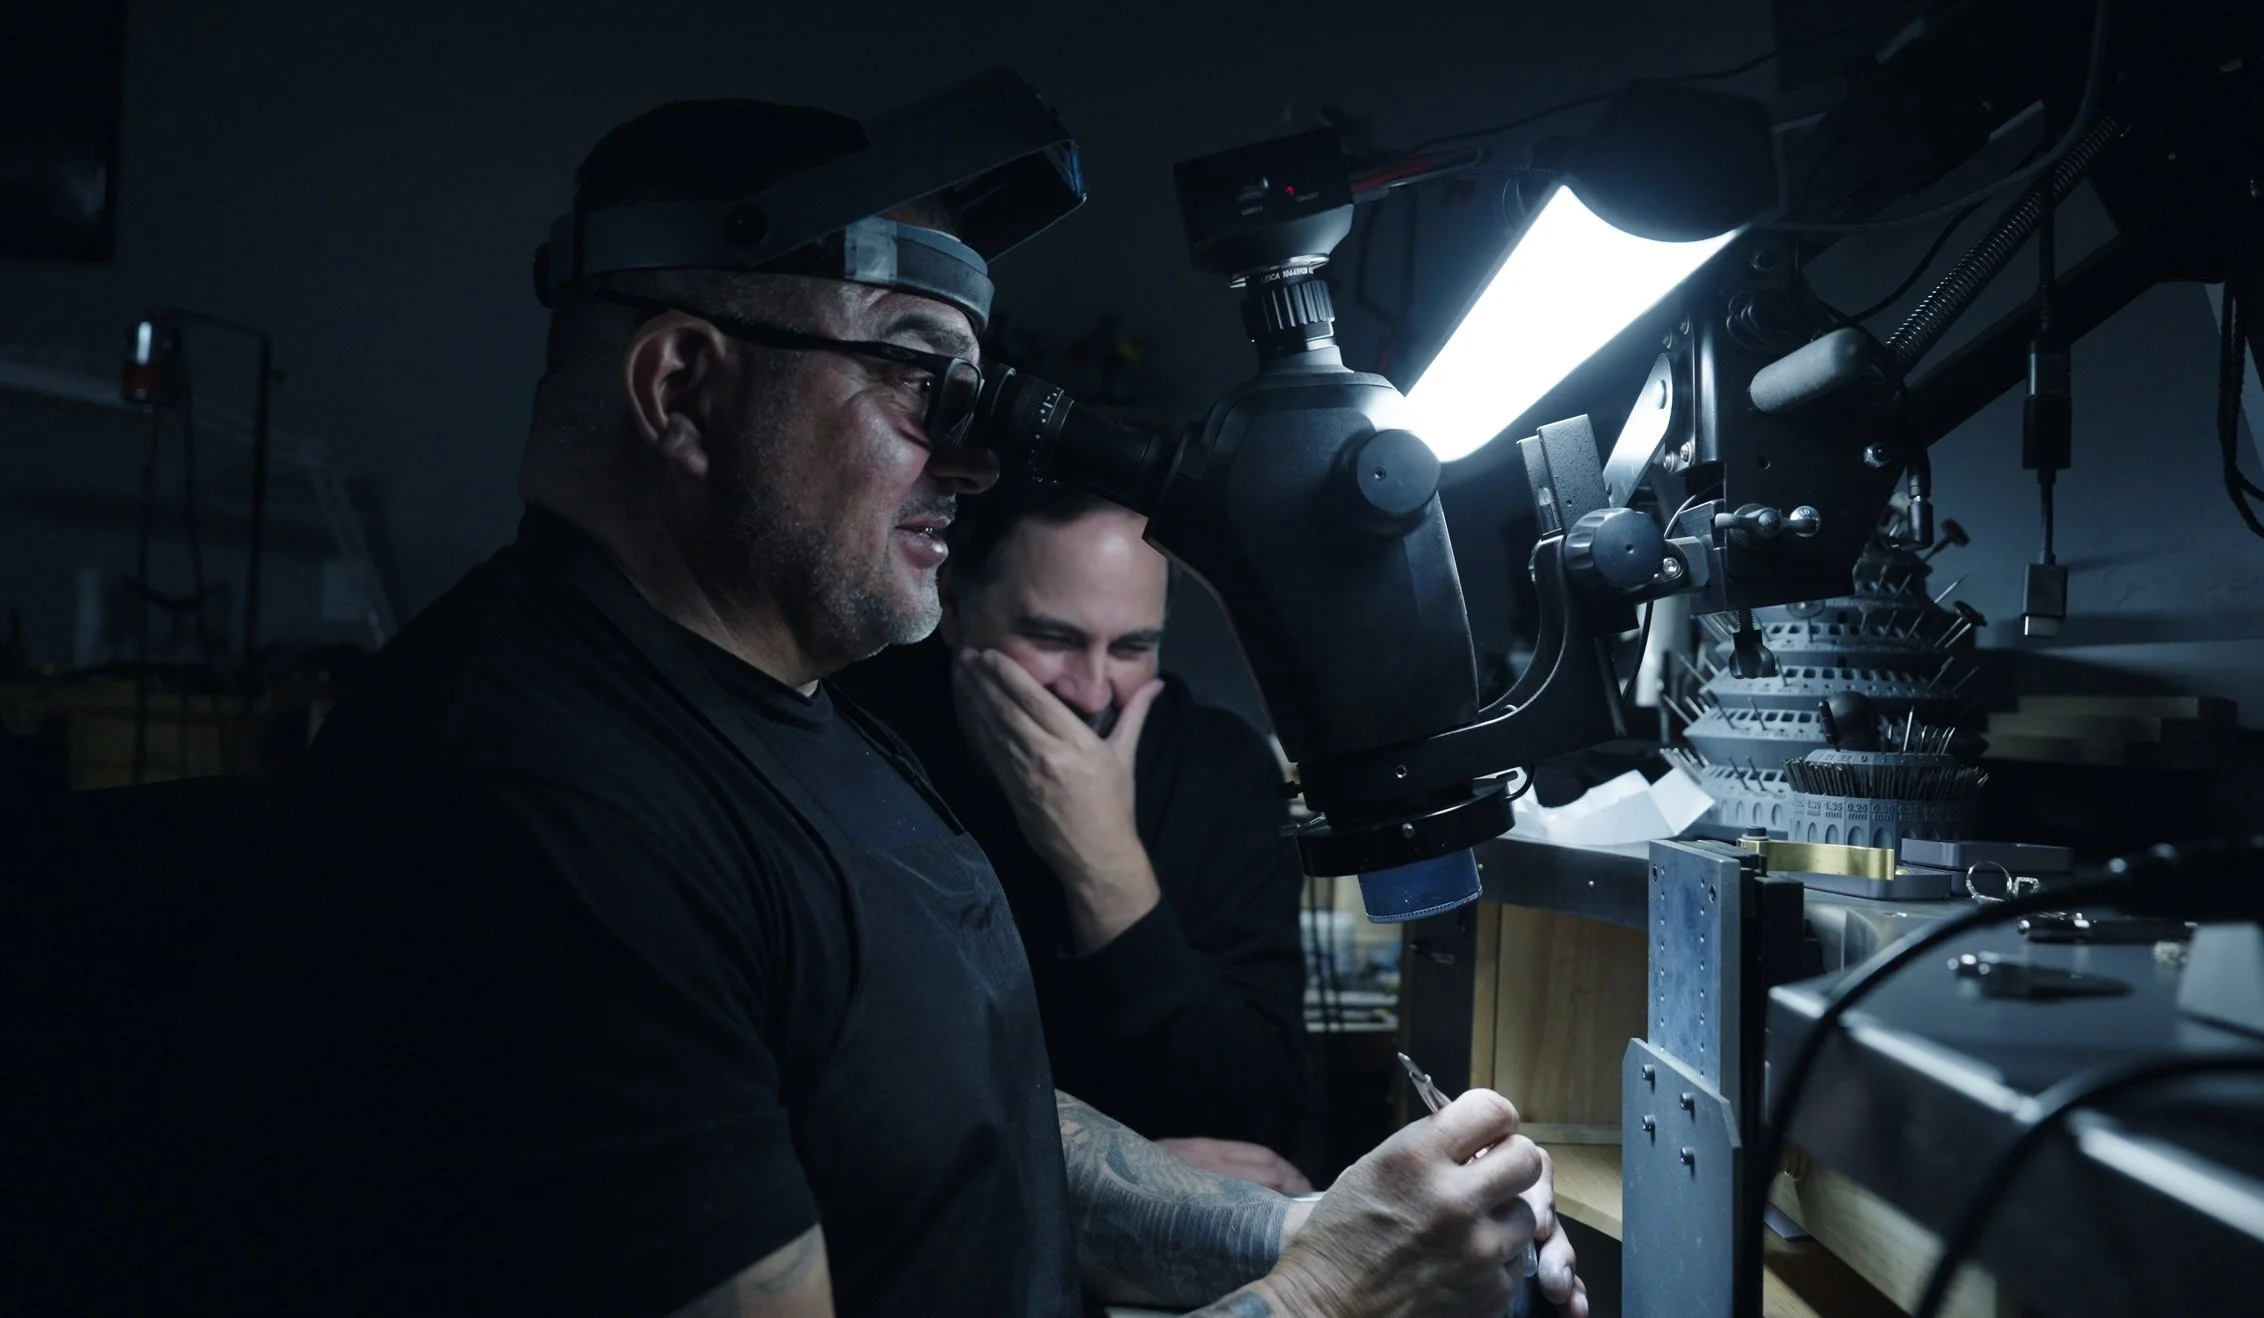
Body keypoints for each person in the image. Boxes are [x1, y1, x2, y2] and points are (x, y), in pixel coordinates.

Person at [176, 91, 1588, 1318]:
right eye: (919, 381)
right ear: (683, 387)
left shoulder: (783, 702)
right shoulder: (533, 812)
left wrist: (1310, 1228)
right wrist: (1337, 1292)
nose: (972, 464)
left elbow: (932, 1109)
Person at [837, 482, 1312, 1193]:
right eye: (1053, 638)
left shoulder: (1222, 769)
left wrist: (1103, 863)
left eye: (1132, 647)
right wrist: (1115, 1174)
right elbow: (849, 1093)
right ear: (956, 608)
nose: (1092, 693)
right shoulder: (855, 740)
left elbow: (1250, 1127)